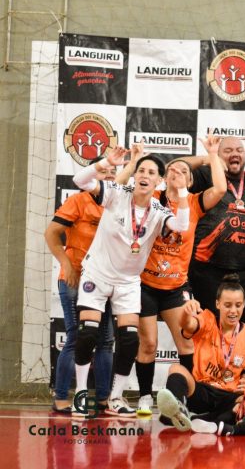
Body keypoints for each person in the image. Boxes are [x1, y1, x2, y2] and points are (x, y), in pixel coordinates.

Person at [71, 148, 190, 417]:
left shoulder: (158, 210)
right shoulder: (116, 193)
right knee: (88, 333)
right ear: (135, 175)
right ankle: (80, 392)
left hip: (127, 282)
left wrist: (182, 190)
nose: (145, 175)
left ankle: (116, 398)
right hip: (97, 274)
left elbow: (182, 225)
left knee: (128, 341)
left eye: (151, 173)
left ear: (159, 181)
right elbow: (80, 180)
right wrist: (106, 163)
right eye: (141, 171)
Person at [116, 137, 227, 416]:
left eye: (184, 171)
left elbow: (221, 188)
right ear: (164, 178)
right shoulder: (152, 198)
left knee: (186, 343)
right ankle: (144, 396)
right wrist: (135, 162)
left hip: (175, 287)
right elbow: (119, 188)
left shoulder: (195, 203)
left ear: (190, 181)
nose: (178, 172)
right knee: (148, 344)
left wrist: (212, 154)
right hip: (145, 285)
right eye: (173, 170)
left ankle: (185, 399)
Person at [44, 158, 115, 414]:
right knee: (75, 338)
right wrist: (68, 265)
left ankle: (104, 399)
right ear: (92, 175)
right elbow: (51, 234)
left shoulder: (119, 203)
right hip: (76, 278)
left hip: (107, 281)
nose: (109, 175)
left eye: (113, 172)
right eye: (103, 171)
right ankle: (62, 397)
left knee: (106, 341)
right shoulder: (78, 200)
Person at [185, 136, 245, 328]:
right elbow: (174, 168)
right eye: (228, 151)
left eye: (239, 150)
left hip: (244, 271)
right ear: (218, 156)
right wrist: (206, 158)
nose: (235, 154)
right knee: (208, 330)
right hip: (207, 270)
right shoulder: (206, 175)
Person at [156, 274, 245, 431]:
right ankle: (179, 411)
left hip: (230, 395)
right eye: (227, 305)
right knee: (176, 369)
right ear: (218, 304)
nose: (233, 311)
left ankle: (202, 419)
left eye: (238, 305)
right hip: (203, 391)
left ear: (244, 304)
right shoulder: (207, 319)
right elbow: (188, 325)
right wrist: (186, 312)